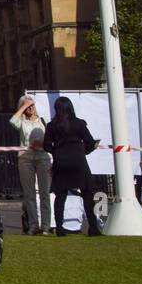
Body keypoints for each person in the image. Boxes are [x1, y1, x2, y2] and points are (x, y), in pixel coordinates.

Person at [42, 97, 101, 236]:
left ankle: (60, 228)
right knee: (87, 194)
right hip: (78, 161)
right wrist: (84, 150)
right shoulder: (79, 124)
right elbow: (90, 142)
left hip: (61, 161)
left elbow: (46, 145)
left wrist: (56, 152)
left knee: (60, 196)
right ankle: (93, 228)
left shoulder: (51, 126)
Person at [10, 93, 50, 235]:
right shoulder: (22, 122)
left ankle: (46, 226)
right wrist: (23, 106)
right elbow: (13, 122)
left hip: (42, 158)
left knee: (45, 192)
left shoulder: (43, 121)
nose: (30, 108)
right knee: (29, 194)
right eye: (27, 105)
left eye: (32, 105)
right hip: (26, 158)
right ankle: (33, 225)